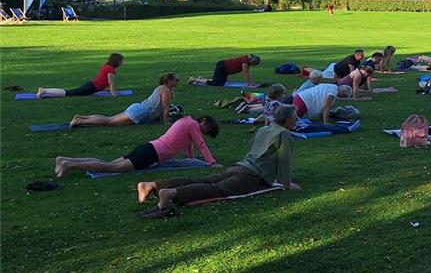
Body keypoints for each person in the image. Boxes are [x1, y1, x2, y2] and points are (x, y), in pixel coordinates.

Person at [138, 104, 300, 218]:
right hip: (251, 175)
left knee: (201, 180)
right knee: (216, 189)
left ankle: (153, 185)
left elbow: (252, 149)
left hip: (239, 167)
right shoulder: (284, 134)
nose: (297, 120)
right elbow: (284, 159)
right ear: (286, 120)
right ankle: (170, 193)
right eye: (295, 117)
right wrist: (286, 183)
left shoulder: (263, 129)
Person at [55, 114, 220, 177]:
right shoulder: (193, 125)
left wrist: (191, 160)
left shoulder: (187, 121)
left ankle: (64, 160)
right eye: (207, 129)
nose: (205, 133)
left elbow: (191, 144)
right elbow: (201, 144)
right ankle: (70, 165)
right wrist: (211, 163)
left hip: (148, 147)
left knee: (109, 163)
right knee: (110, 168)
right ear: (203, 121)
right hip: (150, 154)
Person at [69, 72, 178, 128]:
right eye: (176, 79)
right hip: (140, 112)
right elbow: (165, 108)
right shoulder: (166, 90)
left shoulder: (162, 88)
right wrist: (165, 122)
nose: (178, 81)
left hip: (138, 108)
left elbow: (159, 108)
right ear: (169, 81)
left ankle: (81, 117)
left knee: (109, 119)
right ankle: (80, 121)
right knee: (109, 122)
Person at [37, 53, 124, 98]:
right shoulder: (111, 69)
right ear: (116, 61)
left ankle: (45, 91)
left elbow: (106, 82)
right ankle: (44, 90)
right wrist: (114, 94)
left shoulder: (107, 66)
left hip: (91, 86)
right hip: (91, 87)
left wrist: (110, 90)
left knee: (71, 93)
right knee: (69, 93)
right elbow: (111, 82)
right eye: (121, 61)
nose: (121, 63)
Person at [188, 54, 260, 88]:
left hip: (224, 69)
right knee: (215, 83)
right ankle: (194, 79)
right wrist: (249, 85)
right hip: (222, 66)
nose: (254, 65)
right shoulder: (245, 62)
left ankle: (200, 79)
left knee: (219, 82)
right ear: (253, 61)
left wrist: (251, 83)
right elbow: (246, 74)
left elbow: (247, 73)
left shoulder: (247, 61)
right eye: (255, 64)